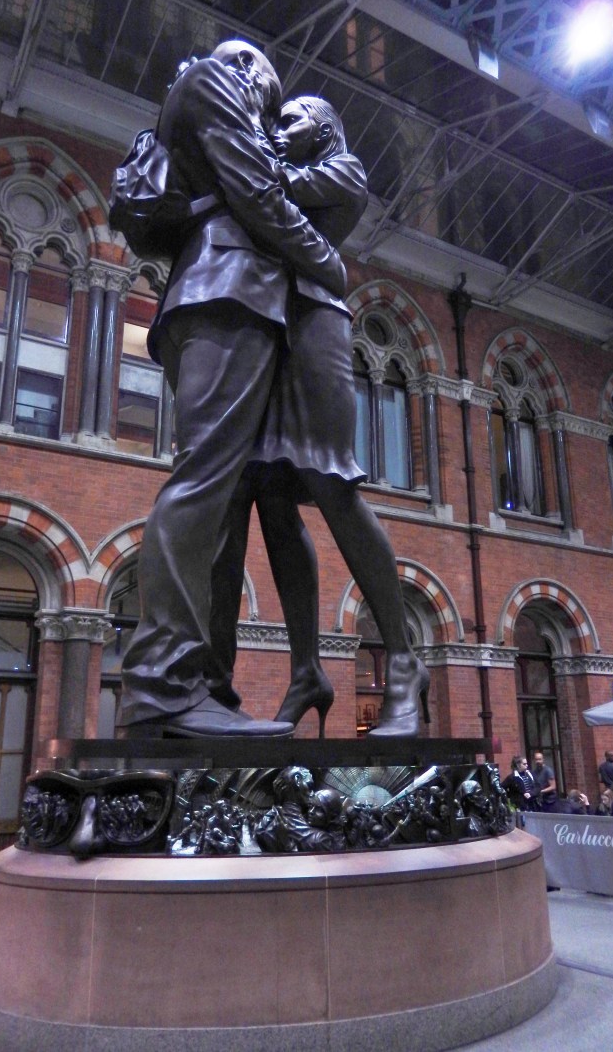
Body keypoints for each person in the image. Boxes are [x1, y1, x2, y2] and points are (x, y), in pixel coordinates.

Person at [116, 41, 347, 738]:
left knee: (217, 501)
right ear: (251, 67)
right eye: (272, 95)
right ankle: (162, 684)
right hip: (226, 294)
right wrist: (329, 265)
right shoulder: (217, 78)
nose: (271, 112)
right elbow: (258, 194)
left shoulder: (204, 99)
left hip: (229, 301)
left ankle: (204, 687)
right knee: (201, 485)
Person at [209, 95, 430, 736]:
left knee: (333, 480)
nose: (280, 128)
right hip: (270, 328)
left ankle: (405, 663)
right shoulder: (282, 164)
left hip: (316, 326)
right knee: (269, 496)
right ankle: (306, 668)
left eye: (293, 118)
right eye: (275, 121)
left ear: (326, 124)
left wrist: (239, 147)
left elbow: (261, 188)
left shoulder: (345, 170)